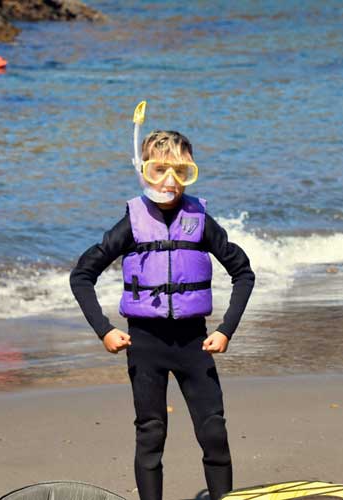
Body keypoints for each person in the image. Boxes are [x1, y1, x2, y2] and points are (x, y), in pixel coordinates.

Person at [70, 102, 255, 500]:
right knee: (150, 434)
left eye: (181, 172)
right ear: (143, 171)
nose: (170, 181)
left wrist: (226, 330)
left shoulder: (201, 221)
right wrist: (104, 330)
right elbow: (82, 275)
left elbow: (243, 272)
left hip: (194, 342)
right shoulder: (131, 224)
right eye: (160, 170)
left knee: (213, 432)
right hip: (146, 345)